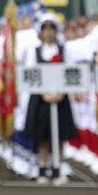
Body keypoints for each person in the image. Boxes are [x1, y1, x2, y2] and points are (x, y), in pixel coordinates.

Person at [22, 13, 78, 185]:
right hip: (41, 99)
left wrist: (61, 92)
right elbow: (30, 74)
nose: (48, 33)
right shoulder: (34, 52)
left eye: (51, 29)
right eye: (45, 29)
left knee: (59, 134)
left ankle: (59, 167)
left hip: (60, 98)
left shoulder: (64, 50)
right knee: (42, 135)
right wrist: (43, 93)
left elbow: (71, 73)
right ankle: (42, 167)